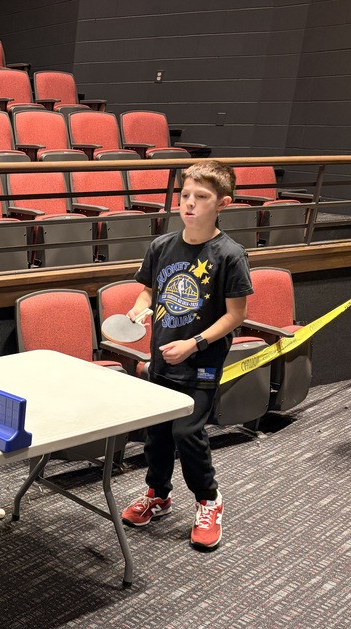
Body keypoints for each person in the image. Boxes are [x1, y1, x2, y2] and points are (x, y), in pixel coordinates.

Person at [120, 160, 253, 551]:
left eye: (202, 197)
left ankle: (209, 499)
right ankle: (158, 495)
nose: (190, 203)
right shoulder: (161, 246)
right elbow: (148, 289)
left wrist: (194, 344)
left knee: (187, 433)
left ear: (223, 203)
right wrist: (140, 307)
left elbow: (235, 315)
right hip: (161, 361)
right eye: (185, 195)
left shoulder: (230, 255)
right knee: (158, 434)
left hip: (201, 364)